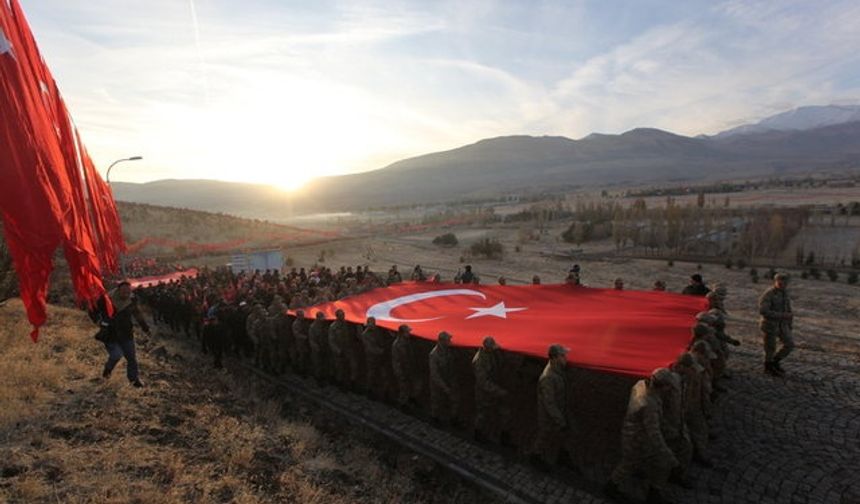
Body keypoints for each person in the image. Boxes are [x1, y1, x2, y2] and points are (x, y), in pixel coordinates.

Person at [605, 369, 679, 504]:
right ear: (662, 386)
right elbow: (654, 433)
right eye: (668, 386)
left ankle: (614, 485)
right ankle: (613, 487)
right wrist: (667, 455)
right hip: (638, 438)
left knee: (630, 463)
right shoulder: (649, 404)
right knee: (633, 463)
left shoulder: (641, 385)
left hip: (632, 432)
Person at [97, 281, 151, 387]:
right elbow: (93, 310)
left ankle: (134, 379)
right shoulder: (107, 299)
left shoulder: (131, 300)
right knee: (116, 355)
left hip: (126, 333)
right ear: (118, 290)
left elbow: (137, 314)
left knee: (131, 357)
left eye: (128, 291)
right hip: (110, 334)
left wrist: (146, 328)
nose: (126, 294)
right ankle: (107, 370)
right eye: (124, 291)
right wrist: (98, 321)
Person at [530, 344, 570, 468]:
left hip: (558, 411)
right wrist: (560, 420)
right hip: (549, 416)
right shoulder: (548, 378)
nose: (565, 358)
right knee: (544, 435)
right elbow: (549, 403)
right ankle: (536, 457)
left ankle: (560, 456)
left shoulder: (558, 370)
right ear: (553, 358)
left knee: (556, 436)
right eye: (562, 356)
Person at [472, 336, 510, 444]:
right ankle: (479, 434)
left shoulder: (491, 355)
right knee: (483, 414)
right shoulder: (479, 361)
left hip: (493, 389)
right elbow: (483, 382)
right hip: (483, 393)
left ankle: (493, 434)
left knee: (494, 413)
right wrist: (498, 391)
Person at [759, 273, 794, 377]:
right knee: (770, 348)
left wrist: (789, 324)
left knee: (789, 344)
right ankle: (768, 367)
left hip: (782, 325)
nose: (783, 284)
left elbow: (788, 309)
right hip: (770, 325)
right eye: (780, 282)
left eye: (785, 283)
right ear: (776, 281)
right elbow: (763, 311)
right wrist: (782, 315)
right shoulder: (769, 294)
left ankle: (775, 362)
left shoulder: (785, 293)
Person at [428, 331, 459, 425]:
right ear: (441, 341)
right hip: (438, 384)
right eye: (448, 340)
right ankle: (435, 419)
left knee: (454, 401)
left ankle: (453, 419)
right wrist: (444, 387)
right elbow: (435, 374)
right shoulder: (434, 355)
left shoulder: (448, 350)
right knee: (437, 402)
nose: (450, 341)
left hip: (448, 380)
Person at [392, 324, 421, 409]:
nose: (409, 333)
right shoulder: (397, 345)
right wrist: (399, 373)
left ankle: (411, 400)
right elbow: (396, 361)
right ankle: (402, 404)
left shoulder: (408, 342)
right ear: (402, 333)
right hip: (403, 370)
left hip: (410, 368)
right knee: (404, 389)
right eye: (407, 332)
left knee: (414, 386)